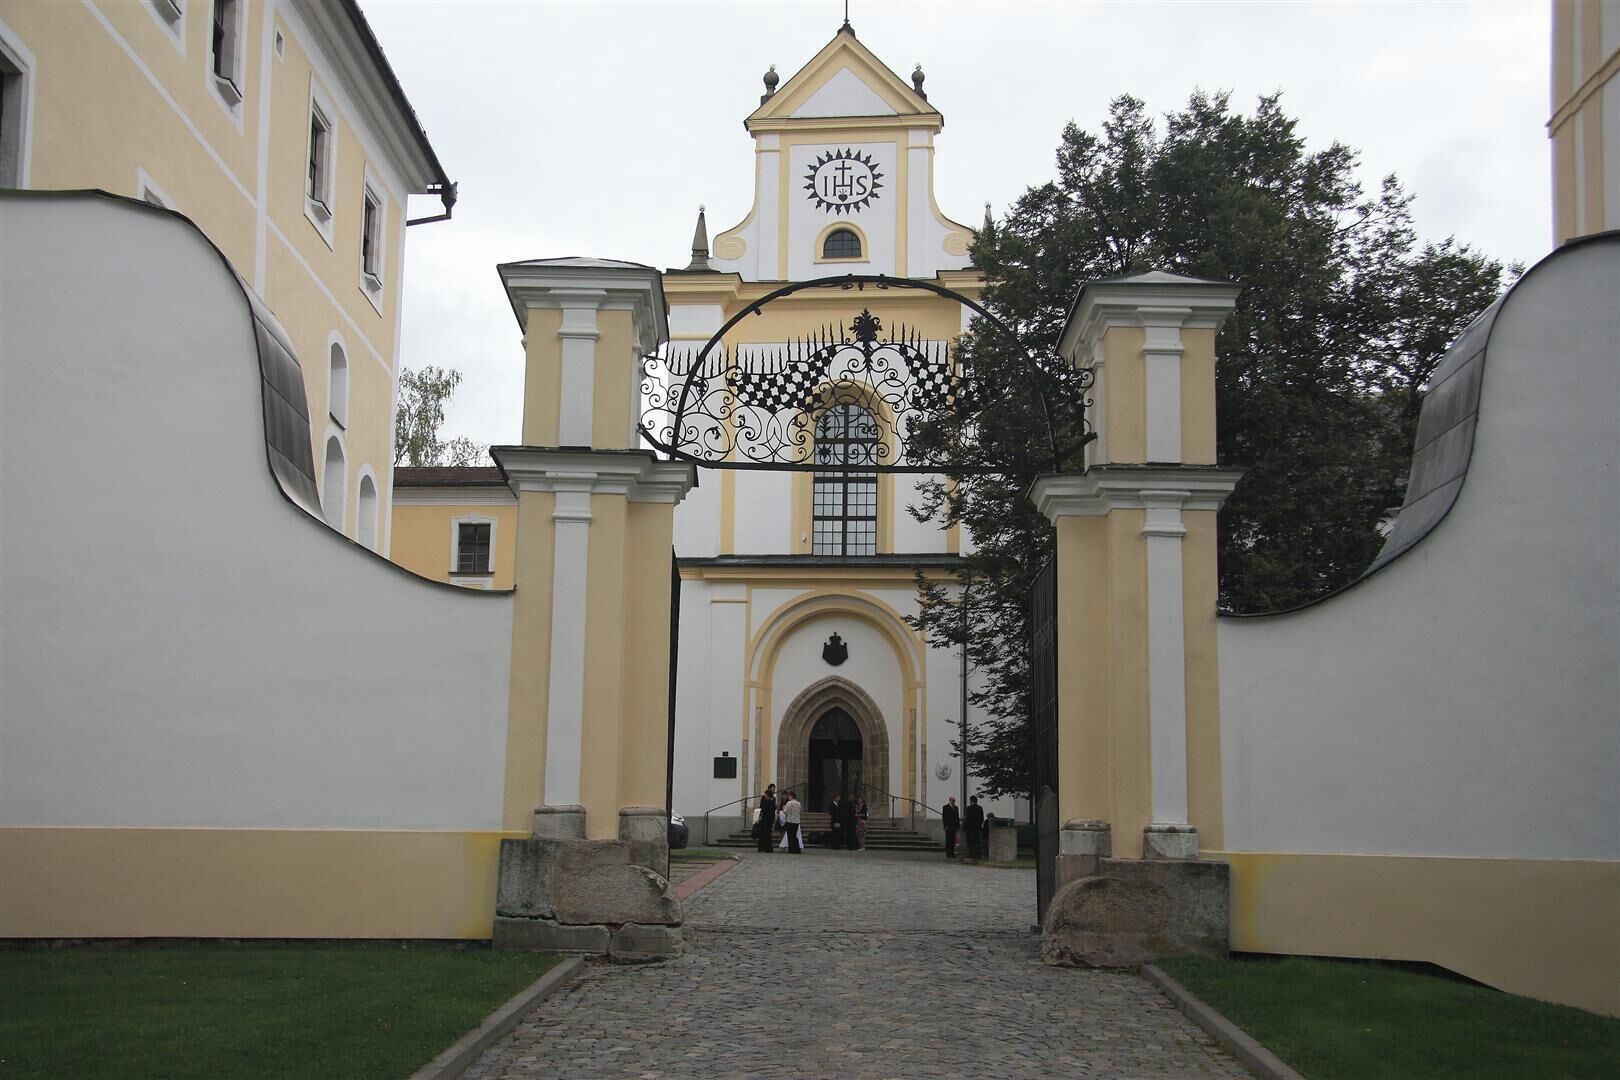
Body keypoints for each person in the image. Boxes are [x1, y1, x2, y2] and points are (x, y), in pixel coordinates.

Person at [756, 784, 777, 854]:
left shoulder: (769, 802)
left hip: (765, 820)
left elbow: (762, 809)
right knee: (767, 834)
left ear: (768, 795)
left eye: (766, 795)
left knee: (764, 834)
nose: (765, 796)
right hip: (769, 820)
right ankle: (767, 848)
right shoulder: (771, 802)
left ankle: (763, 847)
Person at [964, 794, 985, 859]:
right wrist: (979, 824)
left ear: (971, 801)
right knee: (977, 841)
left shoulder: (969, 808)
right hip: (978, 828)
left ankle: (971, 854)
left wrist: (965, 827)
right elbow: (982, 818)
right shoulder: (980, 808)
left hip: (970, 828)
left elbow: (967, 819)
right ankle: (978, 854)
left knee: (970, 842)